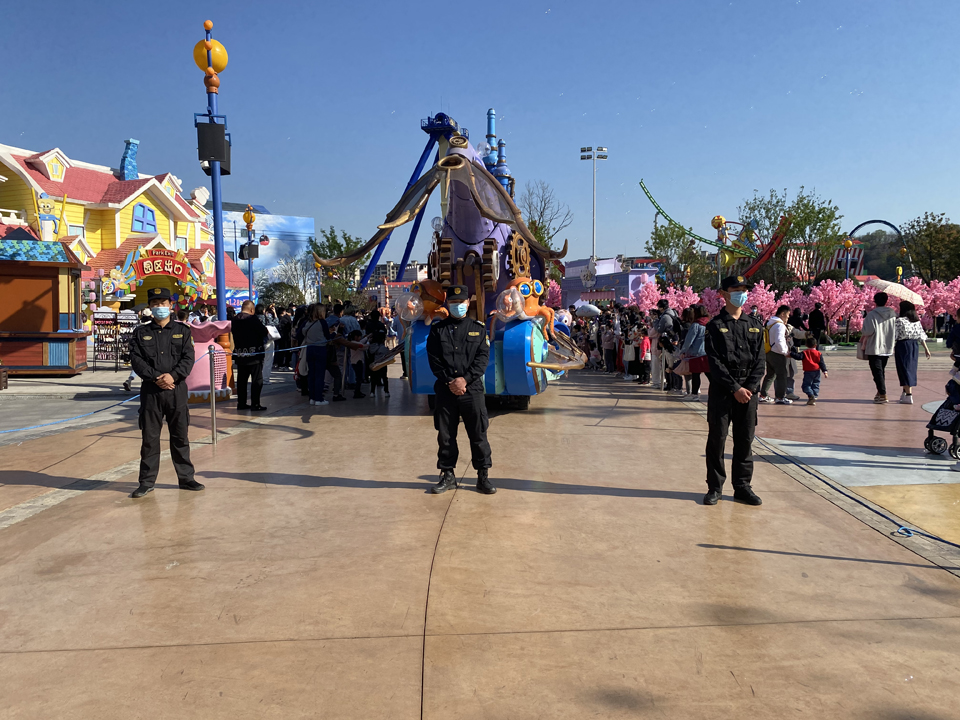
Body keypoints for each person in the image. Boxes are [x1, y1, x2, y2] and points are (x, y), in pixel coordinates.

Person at [127, 287, 203, 498]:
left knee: (180, 436)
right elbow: (136, 360)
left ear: (171, 306)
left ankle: (186, 478)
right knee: (149, 438)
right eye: (155, 304)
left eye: (163, 303)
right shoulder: (141, 332)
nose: (159, 307)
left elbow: (188, 358)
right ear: (150, 307)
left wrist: (173, 376)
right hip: (151, 392)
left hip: (176, 390)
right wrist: (156, 378)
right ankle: (146, 482)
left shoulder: (183, 331)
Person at [703, 275, 765, 507]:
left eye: (744, 289)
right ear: (724, 294)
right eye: (736, 289)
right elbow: (714, 362)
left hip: (748, 393)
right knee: (717, 439)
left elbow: (760, 362)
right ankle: (715, 487)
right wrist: (734, 387)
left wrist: (748, 388)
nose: (741, 294)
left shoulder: (755, 325)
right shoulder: (715, 326)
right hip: (723, 391)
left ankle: (742, 486)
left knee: (745, 439)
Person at [426, 285, 494, 495]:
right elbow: (434, 360)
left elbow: (482, 359)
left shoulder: (478, 329)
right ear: (448, 304)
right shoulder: (437, 330)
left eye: (461, 302)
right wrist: (451, 381)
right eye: (453, 303)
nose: (457, 306)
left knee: (478, 434)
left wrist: (464, 380)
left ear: (467, 303)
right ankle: (448, 475)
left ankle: (482, 476)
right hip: (446, 390)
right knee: (446, 435)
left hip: (472, 390)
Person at [231, 300, 269, 412]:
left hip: (240, 354)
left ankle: (241, 403)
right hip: (254, 355)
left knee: (242, 380)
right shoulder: (253, 319)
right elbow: (263, 332)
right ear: (252, 310)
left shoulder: (234, 320)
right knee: (257, 380)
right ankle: (255, 404)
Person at [861, 292, 897, 403]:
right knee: (880, 371)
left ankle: (883, 394)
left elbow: (868, 331)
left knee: (877, 372)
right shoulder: (893, 314)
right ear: (886, 301)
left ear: (875, 301)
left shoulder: (872, 315)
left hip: (875, 346)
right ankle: (879, 392)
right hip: (887, 346)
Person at [894, 300, 931, 404]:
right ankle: (904, 393)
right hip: (914, 345)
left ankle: (909, 395)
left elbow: (894, 335)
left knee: (903, 369)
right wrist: (926, 349)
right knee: (910, 369)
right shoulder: (916, 321)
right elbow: (921, 335)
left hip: (903, 345)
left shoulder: (899, 321)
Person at [759, 305, 792, 405]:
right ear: (782, 314)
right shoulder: (780, 325)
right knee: (782, 375)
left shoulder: (770, 323)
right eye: (787, 315)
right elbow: (779, 340)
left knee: (770, 374)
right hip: (777, 353)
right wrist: (785, 352)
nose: (788, 318)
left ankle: (763, 395)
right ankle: (780, 397)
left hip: (769, 351)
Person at [301, 304, 332, 406]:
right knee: (320, 375)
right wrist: (334, 333)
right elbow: (327, 336)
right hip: (320, 349)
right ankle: (319, 398)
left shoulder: (308, 322)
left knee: (311, 374)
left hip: (310, 348)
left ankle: (312, 397)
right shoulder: (322, 322)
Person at [678, 305, 710, 401]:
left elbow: (689, 340)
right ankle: (714, 393)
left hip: (696, 353)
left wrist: (683, 351)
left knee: (695, 374)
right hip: (707, 352)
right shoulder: (709, 323)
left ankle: (694, 394)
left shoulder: (696, 325)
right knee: (709, 374)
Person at [792, 336, 829, 405]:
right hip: (817, 371)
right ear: (815, 345)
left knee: (806, 385)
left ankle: (811, 395)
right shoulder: (818, 353)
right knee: (816, 384)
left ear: (806, 345)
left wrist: (792, 353)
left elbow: (798, 357)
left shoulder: (805, 352)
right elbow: (822, 363)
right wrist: (825, 371)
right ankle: (815, 396)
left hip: (808, 371)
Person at [123, 307, 153, 392]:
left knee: (138, 366)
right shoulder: (152, 325)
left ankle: (130, 379)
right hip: (150, 349)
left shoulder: (138, 326)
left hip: (139, 349)